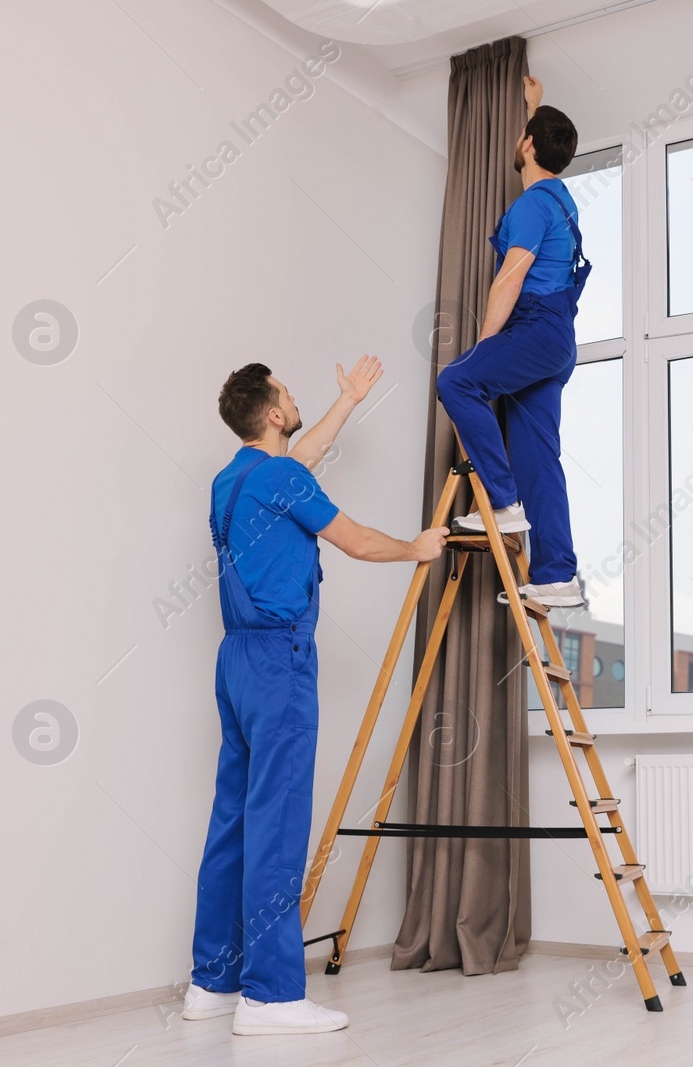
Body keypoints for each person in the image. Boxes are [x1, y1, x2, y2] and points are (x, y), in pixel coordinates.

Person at [182, 358, 449, 1036]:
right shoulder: (283, 477)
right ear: (272, 411)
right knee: (278, 824)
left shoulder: (234, 479)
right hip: (280, 661)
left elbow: (301, 455)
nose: (294, 400)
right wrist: (417, 547)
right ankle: (270, 996)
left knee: (236, 820)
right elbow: (356, 541)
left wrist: (346, 401)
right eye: (288, 395)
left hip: (235, 661)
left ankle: (212, 983)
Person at [436, 74, 591, 608]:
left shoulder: (531, 205)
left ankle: (502, 505)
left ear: (527, 145)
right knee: (539, 455)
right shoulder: (563, 203)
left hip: (534, 330)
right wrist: (535, 106)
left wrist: (484, 348)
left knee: (456, 380)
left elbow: (510, 278)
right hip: (557, 342)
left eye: (524, 133)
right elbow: (545, 138)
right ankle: (557, 574)